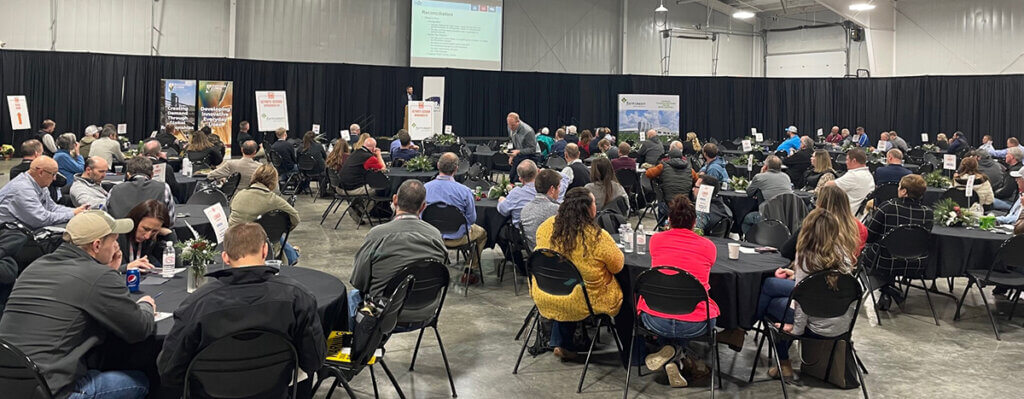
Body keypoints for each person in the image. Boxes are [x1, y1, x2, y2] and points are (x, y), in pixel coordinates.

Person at [0, 210, 155, 399]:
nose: (116, 246)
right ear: (97, 245)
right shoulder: (98, 276)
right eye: (113, 241)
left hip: (9, 384)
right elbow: (139, 329)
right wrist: (146, 305)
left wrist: (107, 272)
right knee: (141, 381)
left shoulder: (36, 265)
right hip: (53, 391)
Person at [158, 223, 326, 395]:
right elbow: (314, 360)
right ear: (265, 251)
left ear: (225, 257)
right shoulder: (298, 297)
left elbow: (169, 370)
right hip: (274, 392)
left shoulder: (197, 304)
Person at [753, 209, 858, 380]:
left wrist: (796, 330)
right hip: (841, 326)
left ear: (807, 229)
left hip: (814, 326)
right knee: (772, 286)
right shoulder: (844, 255)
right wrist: (795, 276)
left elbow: (802, 302)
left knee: (772, 304)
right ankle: (743, 330)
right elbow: (839, 290)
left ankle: (782, 362)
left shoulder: (806, 256)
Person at [533, 187, 623, 360]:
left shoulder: (545, 228)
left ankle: (562, 342)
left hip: (546, 292)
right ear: (588, 209)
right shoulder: (597, 237)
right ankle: (634, 352)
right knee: (621, 291)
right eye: (594, 203)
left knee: (569, 282)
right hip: (583, 299)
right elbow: (617, 266)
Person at [641, 195, 719, 387]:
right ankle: (677, 354)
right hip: (694, 323)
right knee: (697, 312)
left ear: (668, 220)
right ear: (694, 223)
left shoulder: (655, 241)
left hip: (654, 318)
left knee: (668, 306)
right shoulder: (709, 247)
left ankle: (671, 352)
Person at [351, 179, 448, 301]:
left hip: (384, 312)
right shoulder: (435, 236)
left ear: (395, 199)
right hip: (425, 308)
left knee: (352, 297)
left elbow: (358, 280)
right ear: (423, 206)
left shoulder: (377, 235)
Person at [862, 174, 934, 310]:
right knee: (893, 250)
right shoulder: (928, 213)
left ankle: (887, 289)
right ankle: (888, 290)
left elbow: (869, 236)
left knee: (868, 255)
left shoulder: (888, 207)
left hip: (884, 261)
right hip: (916, 262)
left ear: (904, 191)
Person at [425, 153, 488, 280]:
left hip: (432, 237)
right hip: (458, 237)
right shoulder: (464, 191)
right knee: (482, 234)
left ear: (438, 166)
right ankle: (470, 269)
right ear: (456, 169)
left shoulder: (424, 189)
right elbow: (471, 219)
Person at [229, 164, 302, 266]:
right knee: (274, 233)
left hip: (233, 240)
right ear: (274, 182)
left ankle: (292, 254)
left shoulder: (239, 194)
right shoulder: (272, 200)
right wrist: (283, 229)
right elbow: (295, 217)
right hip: (257, 244)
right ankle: (293, 256)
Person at [780, 185, 868, 262]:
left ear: (820, 203)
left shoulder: (816, 224)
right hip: (847, 277)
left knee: (770, 280)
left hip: (816, 276)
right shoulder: (860, 227)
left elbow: (786, 251)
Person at [0, 156, 86, 229]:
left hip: (23, 228)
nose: (55, 178)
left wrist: (78, 211)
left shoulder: (39, 184)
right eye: (53, 174)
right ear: (41, 172)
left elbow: (52, 208)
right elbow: (42, 219)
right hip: (9, 233)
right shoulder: (22, 190)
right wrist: (72, 214)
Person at [105, 156, 176, 219]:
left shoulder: (114, 189)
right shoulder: (163, 188)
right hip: (155, 233)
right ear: (152, 175)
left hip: (121, 233)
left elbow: (106, 216)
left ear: (128, 175)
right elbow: (170, 220)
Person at [498, 160, 567, 223]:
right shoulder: (553, 189)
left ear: (520, 179)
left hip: (522, 234)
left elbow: (504, 211)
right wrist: (546, 171)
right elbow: (565, 178)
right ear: (538, 171)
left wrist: (502, 201)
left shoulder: (515, 193)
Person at [742, 155, 793, 233]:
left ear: (765, 166)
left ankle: (749, 241)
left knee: (747, 219)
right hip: (787, 216)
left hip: (768, 216)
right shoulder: (786, 177)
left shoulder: (759, 177)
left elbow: (749, 192)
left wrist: (761, 173)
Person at [118, 199, 172, 271]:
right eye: (145, 229)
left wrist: (169, 234)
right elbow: (104, 270)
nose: (147, 236)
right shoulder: (116, 237)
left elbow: (174, 266)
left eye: (154, 231)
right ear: (135, 222)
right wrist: (125, 268)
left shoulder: (152, 240)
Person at [521, 169, 563, 250]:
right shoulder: (556, 210)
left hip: (534, 255)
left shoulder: (525, 209)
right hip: (553, 254)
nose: (560, 190)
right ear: (552, 189)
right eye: (559, 187)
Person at [337, 136, 386, 203]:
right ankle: (366, 211)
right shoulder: (369, 157)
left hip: (340, 187)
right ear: (374, 148)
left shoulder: (354, 153)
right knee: (381, 189)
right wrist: (378, 154)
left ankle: (357, 210)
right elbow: (383, 169)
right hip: (351, 190)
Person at [827, 148, 874, 215]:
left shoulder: (854, 175)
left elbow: (828, 186)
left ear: (854, 161)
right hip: (860, 216)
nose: (846, 162)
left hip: (847, 216)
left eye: (847, 159)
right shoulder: (869, 175)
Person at [507, 112, 539, 184]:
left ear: (518, 122)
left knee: (518, 179)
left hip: (532, 155)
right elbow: (511, 141)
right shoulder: (510, 127)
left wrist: (518, 152)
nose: (511, 128)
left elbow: (532, 149)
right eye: (509, 125)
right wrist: (511, 155)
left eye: (513, 125)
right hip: (520, 154)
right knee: (511, 177)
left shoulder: (528, 131)